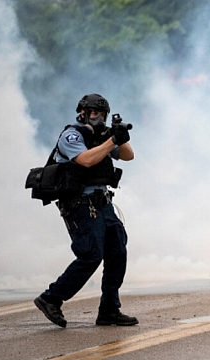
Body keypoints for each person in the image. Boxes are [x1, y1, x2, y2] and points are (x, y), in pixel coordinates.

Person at [34, 93, 138, 328]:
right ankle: (51, 298)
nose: (97, 118)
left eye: (101, 114)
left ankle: (109, 309)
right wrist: (111, 141)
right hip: (80, 204)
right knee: (91, 254)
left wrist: (119, 135)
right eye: (93, 113)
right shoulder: (72, 135)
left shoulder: (102, 136)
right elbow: (86, 160)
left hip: (103, 202)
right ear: (82, 112)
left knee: (118, 251)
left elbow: (128, 156)